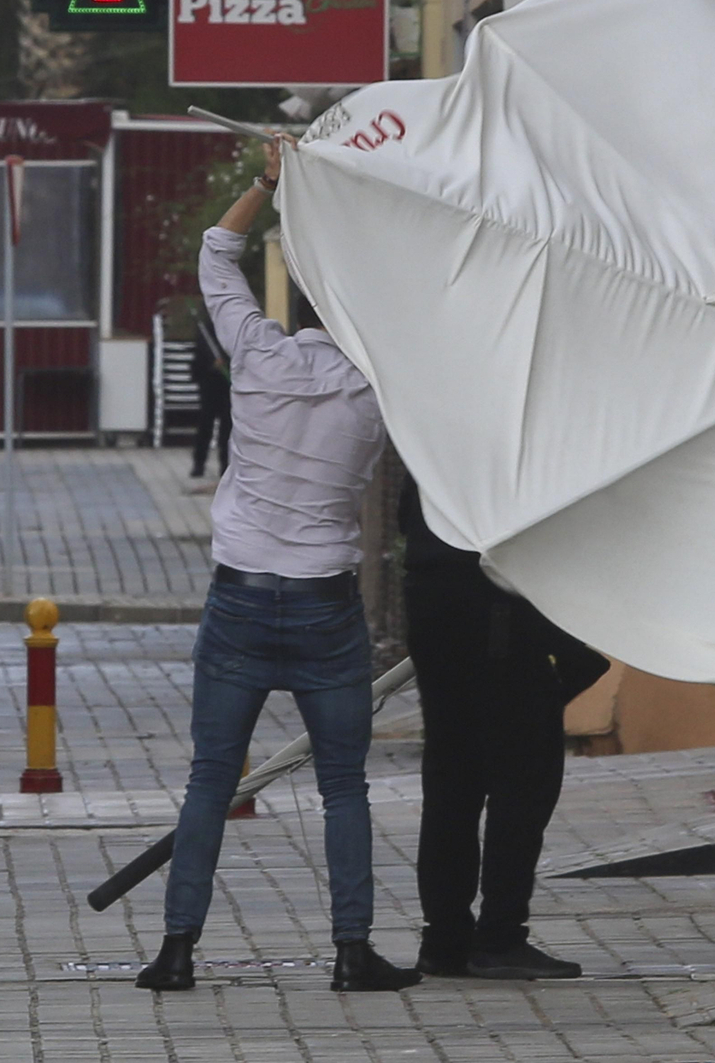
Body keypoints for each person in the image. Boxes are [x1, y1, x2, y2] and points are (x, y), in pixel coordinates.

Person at [137, 137, 421, 994]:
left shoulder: (256, 354)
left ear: (291, 300)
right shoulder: (380, 382)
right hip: (328, 608)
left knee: (209, 780)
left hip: (240, 601)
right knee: (343, 788)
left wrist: (271, 179)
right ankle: (350, 952)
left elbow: (214, 251)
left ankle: (178, 951)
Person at [401, 474, 610, 979]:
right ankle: (499, 936)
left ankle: (445, 938)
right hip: (499, 610)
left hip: (432, 598)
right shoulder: (502, 430)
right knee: (523, 782)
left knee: (452, 781)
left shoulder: (427, 429)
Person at [189, 305, 231, 479]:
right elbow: (198, 358)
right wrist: (211, 365)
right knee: (205, 425)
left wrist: (226, 362)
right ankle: (199, 463)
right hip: (209, 383)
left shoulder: (231, 330)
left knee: (227, 428)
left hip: (228, 385)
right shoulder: (205, 330)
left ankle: (225, 465)